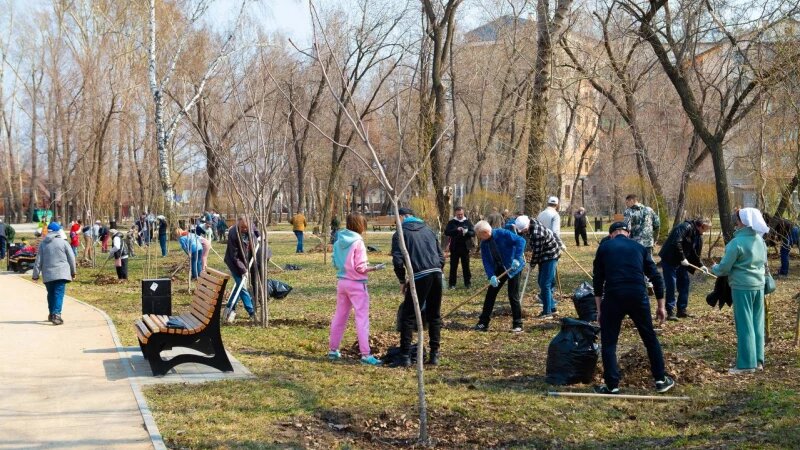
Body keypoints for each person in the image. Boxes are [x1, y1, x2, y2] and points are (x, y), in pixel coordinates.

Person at [592, 221, 674, 394]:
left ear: (611, 234)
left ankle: (612, 385)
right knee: (649, 338)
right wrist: (661, 306)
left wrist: (599, 309)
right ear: (627, 233)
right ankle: (660, 379)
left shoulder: (604, 248)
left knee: (609, 342)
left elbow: (597, 280)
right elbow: (656, 278)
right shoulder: (639, 247)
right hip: (637, 295)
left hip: (613, 296)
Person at [711, 208, 769, 374]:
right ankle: (758, 360)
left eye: (736, 219)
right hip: (759, 285)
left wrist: (714, 268)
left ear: (742, 222)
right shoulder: (760, 240)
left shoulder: (736, 243)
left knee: (744, 325)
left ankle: (745, 364)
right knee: (757, 323)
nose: (735, 222)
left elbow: (724, 268)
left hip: (742, 287)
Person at [328, 213, 385, 366]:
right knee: (362, 319)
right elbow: (360, 268)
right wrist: (374, 268)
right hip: (357, 284)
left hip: (342, 282)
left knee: (339, 316)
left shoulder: (338, 240)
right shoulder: (358, 242)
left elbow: (335, 262)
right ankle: (365, 355)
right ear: (360, 225)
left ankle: (333, 350)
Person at [391, 207, 445, 367]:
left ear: (402, 217)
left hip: (420, 275)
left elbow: (397, 261)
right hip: (436, 274)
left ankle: (405, 356)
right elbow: (441, 257)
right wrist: (437, 269)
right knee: (434, 315)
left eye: (396, 219)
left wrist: (402, 280)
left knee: (408, 316)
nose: (396, 223)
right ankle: (434, 354)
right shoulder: (428, 230)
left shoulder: (400, 234)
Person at [473, 220, 527, 332]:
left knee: (513, 295)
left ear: (485, 232)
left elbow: (521, 241)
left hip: (513, 268)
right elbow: (486, 262)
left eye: (479, 235)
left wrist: (517, 258)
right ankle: (483, 323)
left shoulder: (503, 234)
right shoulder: (484, 244)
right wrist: (491, 276)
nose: (479, 238)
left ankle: (518, 324)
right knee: (490, 295)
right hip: (499, 269)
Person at [658, 217, 711, 320]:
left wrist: (701, 265)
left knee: (684, 284)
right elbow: (676, 242)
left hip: (681, 262)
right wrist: (682, 258)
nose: (705, 232)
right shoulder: (684, 227)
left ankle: (681, 310)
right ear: (702, 226)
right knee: (671, 285)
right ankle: (670, 312)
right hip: (670, 259)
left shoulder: (697, 234)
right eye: (706, 229)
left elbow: (693, 252)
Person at [514, 215, 561, 317]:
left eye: (524, 230)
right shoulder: (532, 222)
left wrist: (532, 264)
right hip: (544, 255)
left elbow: (537, 252)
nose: (524, 232)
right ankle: (552, 307)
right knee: (542, 282)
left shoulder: (537, 234)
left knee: (545, 284)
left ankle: (547, 312)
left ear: (527, 225)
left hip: (550, 256)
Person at [32, 221, 76, 326]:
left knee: (51, 293)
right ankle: (57, 315)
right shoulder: (63, 242)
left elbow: (38, 260)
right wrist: (73, 272)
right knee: (59, 294)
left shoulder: (43, 244)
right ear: (58, 231)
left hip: (48, 274)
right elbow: (71, 258)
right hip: (61, 273)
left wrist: (35, 275)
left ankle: (51, 313)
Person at [223, 217, 258, 321]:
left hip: (245, 261)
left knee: (239, 286)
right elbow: (234, 256)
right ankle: (251, 311)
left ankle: (230, 307)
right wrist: (243, 270)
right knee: (242, 287)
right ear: (238, 224)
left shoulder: (250, 226)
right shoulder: (233, 234)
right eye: (242, 227)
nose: (245, 229)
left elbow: (255, 229)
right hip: (234, 263)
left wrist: (259, 236)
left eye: (246, 227)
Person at [444, 206, 475, 289]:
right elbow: (446, 232)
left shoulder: (468, 222)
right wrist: (456, 230)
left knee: (466, 266)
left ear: (463, 213)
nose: (460, 216)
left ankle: (467, 283)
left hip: (465, 247)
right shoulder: (451, 222)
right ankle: (452, 284)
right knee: (453, 267)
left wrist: (467, 232)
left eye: (461, 214)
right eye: (458, 214)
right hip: (454, 248)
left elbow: (473, 233)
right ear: (455, 213)